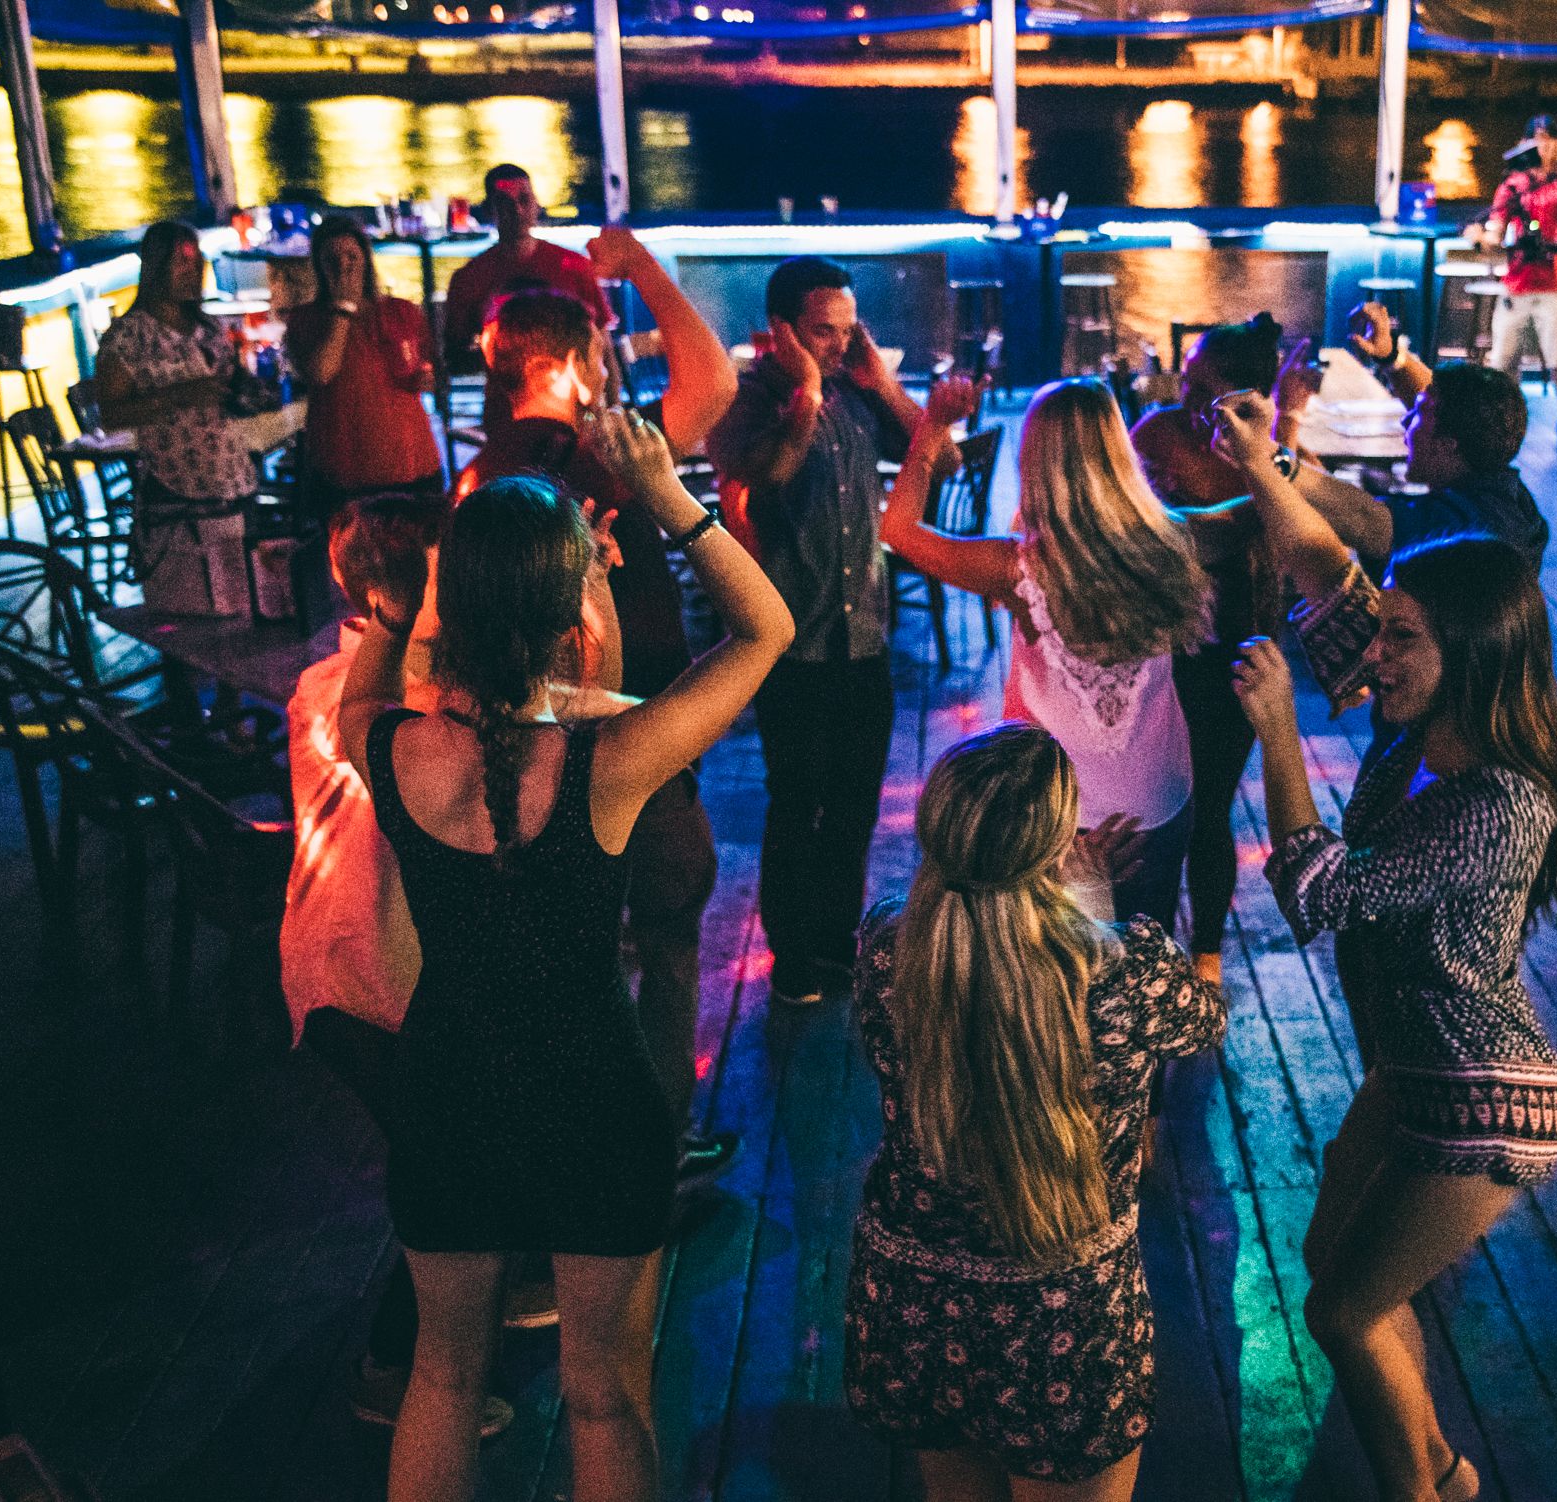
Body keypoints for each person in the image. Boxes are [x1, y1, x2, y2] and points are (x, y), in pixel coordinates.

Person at [338, 414, 793, 1502]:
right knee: (605, 1397)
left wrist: (402, 605)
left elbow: (365, 690)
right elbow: (766, 630)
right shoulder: (612, 760)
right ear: (572, 616)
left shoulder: (391, 749)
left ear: (458, 609)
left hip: (446, 1090)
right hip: (594, 1097)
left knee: (442, 1382)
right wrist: (670, 501)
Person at [1214, 391, 1557, 1502]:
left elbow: (1321, 894)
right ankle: (1443, 1470)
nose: (1376, 649)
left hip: (1485, 1095)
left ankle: (1423, 1487)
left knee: (1341, 1306)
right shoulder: (1414, 720)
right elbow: (1330, 578)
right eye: (1385, 631)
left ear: (1464, 652)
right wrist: (1264, 465)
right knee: (1335, 1267)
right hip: (1412, 1064)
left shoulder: (1501, 801)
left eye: (1401, 635)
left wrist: (1277, 732)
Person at [844, 723, 1227, 1499]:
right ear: (1057, 846)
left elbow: (987, 948)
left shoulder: (887, 944)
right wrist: (1092, 900)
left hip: (916, 1306)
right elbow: (1203, 1022)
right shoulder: (1128, 968)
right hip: (1066, 1321)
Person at [458, 230, 742, 1174]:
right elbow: (714, 386)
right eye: (599, 354)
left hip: (521, 755)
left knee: (576, 958)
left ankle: (583, 1137)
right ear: (573, 364)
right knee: (664, 939)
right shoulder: (592, 456)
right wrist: (645, 266)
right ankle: (655, 1140)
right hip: (630, 740)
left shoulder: (476, 479)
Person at [284, 493, 536, 1434]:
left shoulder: (406, 681)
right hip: (359, 979)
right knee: (456, 1167)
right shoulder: (346, 693)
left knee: (464, 1155)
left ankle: (485, 1287)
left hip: (377, 972)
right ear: (403, 596)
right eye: (453, 576)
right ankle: (393, 1368)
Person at [882, 376, 1213, 932]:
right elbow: (1252, 512)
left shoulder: (1017, 569)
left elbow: (898, 529)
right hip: (1158, 801)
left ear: (1035, 460)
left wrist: (933, 424)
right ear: (1117, 451)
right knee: (1146, 960)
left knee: (1061, 982)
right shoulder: (1172, 539)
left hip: (1055, 817)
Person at [703, 255, 930, 1006]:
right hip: (789, 645)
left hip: (863, 637)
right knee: (797, 800)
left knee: (857, 801)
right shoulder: (745, 403)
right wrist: (803, 393)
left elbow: (939, 453)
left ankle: (839, 943)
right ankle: (792, 955)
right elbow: (767, 472)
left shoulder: (861, 400)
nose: (839, 345)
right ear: (780, 332)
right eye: (822, 333)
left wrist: (884, 384)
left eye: (847, 329)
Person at [1130, 316, 1320, 979]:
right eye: (1186, 380)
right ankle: (1143, 943)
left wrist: (1282, 438)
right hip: (1158, 651)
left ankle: (1206, 950)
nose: (1186, 397)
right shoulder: (1156, 434)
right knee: (1153, 802)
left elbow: (1302, 534)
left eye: (1203, 389)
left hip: (1237, 650)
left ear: (1245, 399)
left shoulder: (1268, 456)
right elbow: (1141, 532)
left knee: (1210, 805)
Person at [90, 221, 262, 614]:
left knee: (239, 607)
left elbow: (230, 383)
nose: (193, 271)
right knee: (186, 618)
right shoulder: (127, 337)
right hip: (177, 491)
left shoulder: (208, 327)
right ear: (155, 266)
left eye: (196, 262)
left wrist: (245, 390)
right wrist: (178, 396)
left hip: (232, 479)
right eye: (181, 263)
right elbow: (112, 414)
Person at [1238, 360, 1546, 576]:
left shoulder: (1458, 528)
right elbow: (1453, 412)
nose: (1405, 420)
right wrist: (1390, 357)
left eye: (1418, 413)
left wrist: (1269, 448)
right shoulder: (1511, 496)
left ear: (1449, 443)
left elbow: (1361, 516)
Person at [286, 215, 442, 519]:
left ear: (365, 260)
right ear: (319, 267)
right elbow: (321, 371)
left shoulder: (402, 311)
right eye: (332, 259)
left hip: (412, 467)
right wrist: (343, 308)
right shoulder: (306, 319)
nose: (343, 266)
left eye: (351, 256)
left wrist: (428, 377)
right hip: (344, 476)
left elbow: (430, 367)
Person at [1478, 112, 1557, 450]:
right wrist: (1480, 237)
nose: (1543, 146)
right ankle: (1500, 421)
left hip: (1552, 285)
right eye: (1536, 138)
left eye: (1549, 138)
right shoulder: (1514, 184)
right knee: (1502, 360)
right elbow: (1494, 232)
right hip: (1516, 283)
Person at [442, 165, 616, 383]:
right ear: (489, 210)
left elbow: (603, 344)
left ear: (536, 205)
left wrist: (615, 406)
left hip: (574, 406)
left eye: (524, 200)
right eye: (505, 203)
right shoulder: (469, 279)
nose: (517, 211)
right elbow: (454, 358)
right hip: (506, 410)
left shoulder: (574, 266)